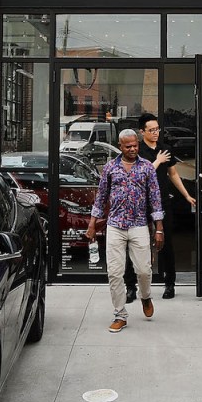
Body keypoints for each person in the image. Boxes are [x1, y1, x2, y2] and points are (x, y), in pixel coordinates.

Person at [85, 128, 164, 333]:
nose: (132, 149)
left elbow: (155, 199)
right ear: (120, 146)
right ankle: (120, 314)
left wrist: (159, 228)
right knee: (114, 273)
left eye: (135, 145)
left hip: (139, 225)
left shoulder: (147, 168)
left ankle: (145, 297)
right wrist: (92, 223)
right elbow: (101, 197)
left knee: (144, 270)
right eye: (128, 146)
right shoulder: (110, 168)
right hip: (115, 226)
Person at [124, 112, 196, 301]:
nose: (156, 133)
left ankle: (169, 284)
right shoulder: (137, 151)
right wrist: (157, 161)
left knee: (166, 244)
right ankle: (131, 287)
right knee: (134, 244)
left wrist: (187, 195)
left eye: (157, 129)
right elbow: (138, 175)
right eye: (152, 130)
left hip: (162, 202)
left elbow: (173, 174)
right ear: (142, 132)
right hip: (139, 204)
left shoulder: (165, 148)